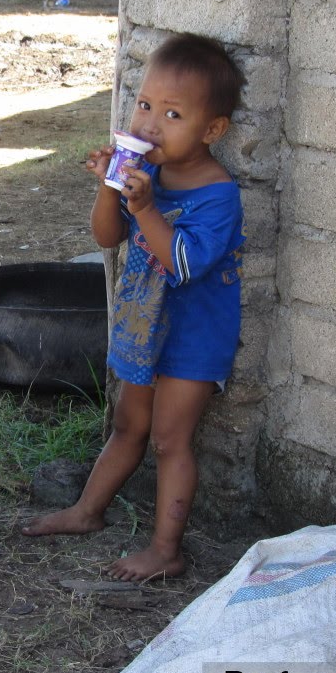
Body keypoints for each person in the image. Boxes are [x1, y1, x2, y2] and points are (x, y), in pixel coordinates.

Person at [22, 33, 246, 580]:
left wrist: (144, 205)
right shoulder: (151, 177)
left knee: (170, 439)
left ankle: (166, 550)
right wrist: (110, 188)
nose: (149, 124)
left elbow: (184, 264)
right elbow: (105, 238)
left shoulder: (219, 195)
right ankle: (86, 511)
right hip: (144, 328)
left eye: (172, 114)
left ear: (212, 130)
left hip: (191, 339)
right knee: (127, 424)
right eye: (145, 105)